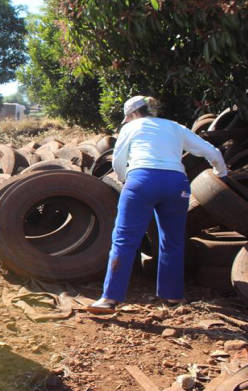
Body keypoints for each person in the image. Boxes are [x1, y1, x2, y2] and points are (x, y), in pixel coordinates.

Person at [88, 96, 228, 314]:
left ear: (132, 114)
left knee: (125, 239)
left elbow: (117, 161)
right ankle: (172, 296)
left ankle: (109, 298)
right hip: (176, 184)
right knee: (172, 241)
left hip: (142, 181)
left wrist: (126, 180)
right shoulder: (175, 127)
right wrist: (222, 174)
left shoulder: (131, 127)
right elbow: (212, 152)